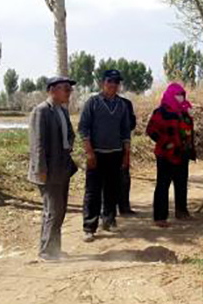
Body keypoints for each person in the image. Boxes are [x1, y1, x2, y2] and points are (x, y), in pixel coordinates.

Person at [28, 76, 78, 260]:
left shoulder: (62, 111)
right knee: (52, 210)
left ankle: (54, 248)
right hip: (47, 171)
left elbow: (70, 134)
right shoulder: (41, 111)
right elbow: (37, 144)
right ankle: (46, 250)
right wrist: (40, 169)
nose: (69, 92)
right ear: (52, 90)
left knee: (60, 209)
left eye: (69, 89)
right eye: (66, 89)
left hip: (62, 168)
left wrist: (66, 147)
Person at [79, 69, 131, 242]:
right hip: (96, 154)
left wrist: (126, 155)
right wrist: (89, 153)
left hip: (115, 153)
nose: (113, 85)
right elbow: (83, 129)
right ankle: (89, 227)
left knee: (112, 189)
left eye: (117, 82)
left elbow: (125, 131)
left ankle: (108, 220)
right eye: (110, 81)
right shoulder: (92, 103)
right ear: (103, 83)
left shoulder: (122, 105)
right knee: (93, 191)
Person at [146, 83, 196, 227]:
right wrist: (165, 142)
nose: (181, 97)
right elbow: (151, 130)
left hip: (183, 153)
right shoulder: (161, 112)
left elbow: (187, 131)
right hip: (165, 154)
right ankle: (160, 217)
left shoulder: (185, 111)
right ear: (170, 95)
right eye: (177, 95)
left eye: (182, 94)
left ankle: (182, 212)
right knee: (163, 184)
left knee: (181, 183)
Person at [117, 95, 137, 216]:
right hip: (103, 147)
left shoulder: (126, 103)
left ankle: (124, 207)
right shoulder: (96, 102)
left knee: (124, 176)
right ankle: (107, 210)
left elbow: (132, 124)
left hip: (123, 145)